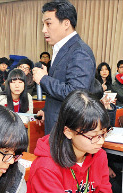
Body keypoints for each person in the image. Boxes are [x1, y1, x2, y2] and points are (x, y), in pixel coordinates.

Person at [24, 90, 112, 193]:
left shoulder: (99, 155)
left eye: (104, 133)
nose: (100, 141)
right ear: (68, 132)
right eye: (93, 136)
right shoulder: (46, 167)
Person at [33, 0, 97, 135]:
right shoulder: (61, 49)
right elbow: (61, 89)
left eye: (48, 24)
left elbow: (76, 93)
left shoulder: (79, 51)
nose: (44, 30)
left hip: (68, 130)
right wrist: (47, 110)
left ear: (66, 23)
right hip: (57, 124)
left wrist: (44, 79)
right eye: (43, 24)